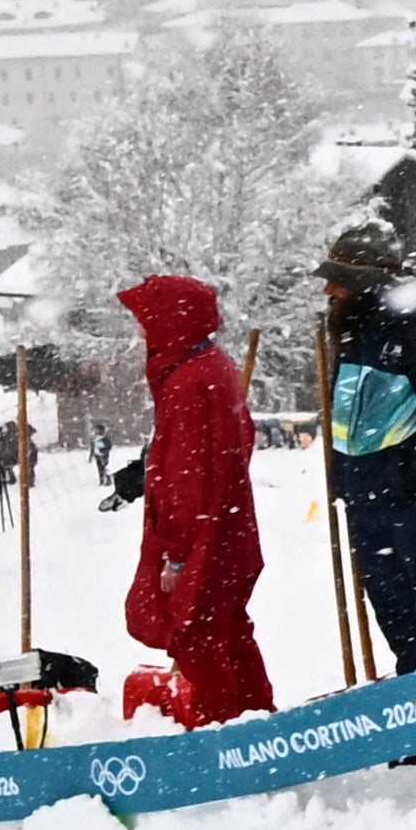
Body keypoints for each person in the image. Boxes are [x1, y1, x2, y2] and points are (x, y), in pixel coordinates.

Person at [115, 277, 273, 729]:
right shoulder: (211, 367)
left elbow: (189, 480)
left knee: (197, 638)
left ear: (169, 323)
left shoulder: (188, 382)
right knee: (229, 630)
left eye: (145, 321)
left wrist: (178, 553)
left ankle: (220, 736)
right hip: (228, 531)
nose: (140, 332)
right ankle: (256, 721)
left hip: (206, 540)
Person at [313, 224, 416, 671]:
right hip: (366, 499)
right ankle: (415, 694)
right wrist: (343, 479)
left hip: (414, 501)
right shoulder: (349, 329)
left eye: (337, 280)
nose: (328, 290)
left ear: (367, 278)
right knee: (393, 610)